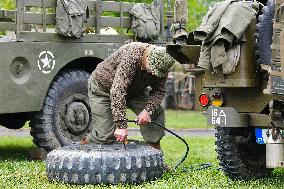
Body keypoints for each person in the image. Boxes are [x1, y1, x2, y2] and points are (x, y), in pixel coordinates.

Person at [82, 42, 176, 150]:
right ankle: (81, 153)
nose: (154, 74)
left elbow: (159, 91)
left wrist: (147, 111)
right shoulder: (132, 55)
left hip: (134, 91)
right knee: (105, 135)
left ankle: (155, 158)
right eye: (152, 70)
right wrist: (121, 126)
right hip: (103, 90)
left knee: (156, 113)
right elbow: (117, 91)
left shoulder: (163, 65)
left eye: (158, 73)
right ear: (147, 56)